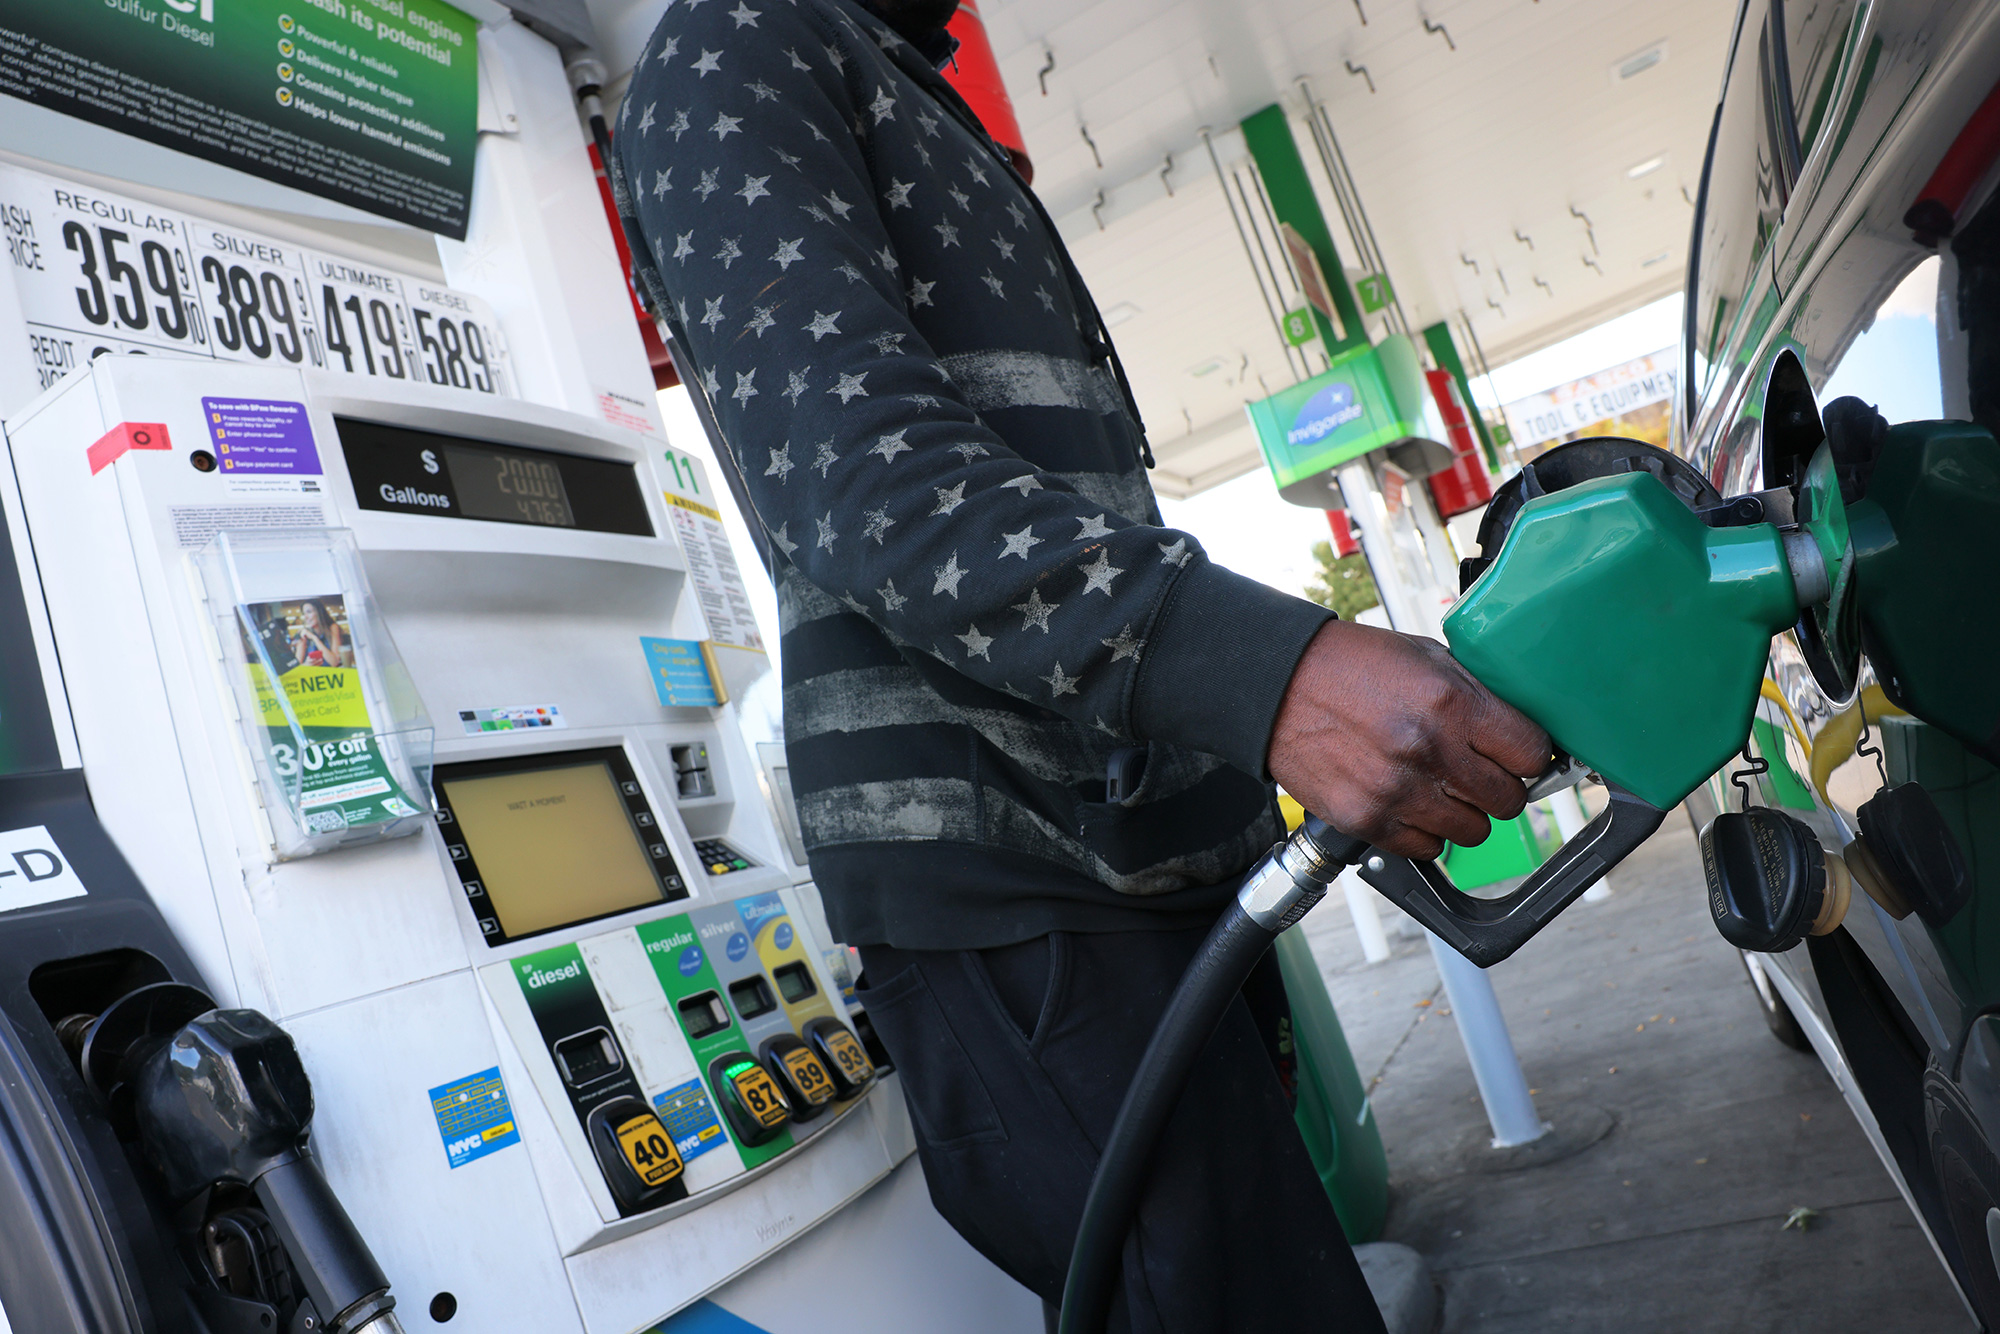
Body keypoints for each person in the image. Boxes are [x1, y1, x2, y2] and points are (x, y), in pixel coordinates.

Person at [612, 4, 1547, 1328]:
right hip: (1019, 888)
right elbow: (870, 481)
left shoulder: (900, 80)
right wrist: (1273, 675)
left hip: (1130, 861)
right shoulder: (740, 41)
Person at [291, 599, 349, 669]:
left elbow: (334, 662)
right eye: (304, 614)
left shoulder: (333, 628)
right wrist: (306, 665)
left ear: (319, 612)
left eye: (309, 612)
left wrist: (314, 638)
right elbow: (295, 669)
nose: (305, 617)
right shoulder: (303, 635)